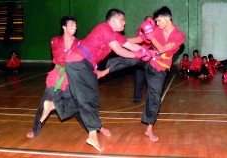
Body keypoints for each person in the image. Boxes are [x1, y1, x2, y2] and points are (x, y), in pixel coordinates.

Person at [39, 9, 150, 152]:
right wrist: (138, 55)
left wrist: (145, 52)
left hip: (84, 64)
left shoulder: (114, 34)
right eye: (123, 19)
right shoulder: (104, 28)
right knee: (89, 98)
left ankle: (55, 105)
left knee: (86, 98)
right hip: (79, 61)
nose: (125, 22)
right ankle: (92, 135)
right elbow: (119, 51)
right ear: (114, 20)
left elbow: (129, 45)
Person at [99, 6, 185, 142]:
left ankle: (149, 129)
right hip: (149, 58)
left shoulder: (178, 36)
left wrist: (152, 36)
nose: (156, 24)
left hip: (160, 68)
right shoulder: (157, 29)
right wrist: (118, 40)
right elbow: (139, 40)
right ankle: (104, 71)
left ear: (166, 19)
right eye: (155, 22)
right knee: (132, 57)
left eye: (158, 21)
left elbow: (163, 49)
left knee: (155, 98)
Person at [26, 16, 111, 139]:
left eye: (75, 25)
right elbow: (60, 57)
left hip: (73, 78)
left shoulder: (79, 43)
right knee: (44, 105)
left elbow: (86, 60)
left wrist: (94, 71)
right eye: (71, 25)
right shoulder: (55, 40)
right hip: (56, 79)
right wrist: (74, 58)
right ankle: (35, 130)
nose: (74, 27)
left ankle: (97, 127)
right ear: (64, 27)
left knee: (80, 105)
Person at [128, 16, 154, 103]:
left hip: (151, 59)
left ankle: (152, 99)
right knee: (139, 78)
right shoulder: (140, 31)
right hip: (141, 57)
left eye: (151, 21)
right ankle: (137, 98)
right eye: (147, 21)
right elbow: (137, 41)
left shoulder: (156, 31)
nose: (149, 22)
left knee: (151, 81)